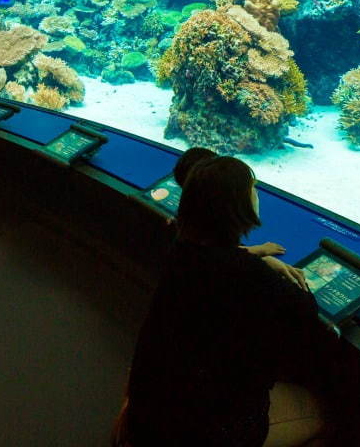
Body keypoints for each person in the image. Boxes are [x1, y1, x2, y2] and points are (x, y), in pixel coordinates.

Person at [120, 156, 340, 447]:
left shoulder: (180, 253)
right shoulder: (254, 280)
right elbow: (306, 321)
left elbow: (216, 260)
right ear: (238, 206)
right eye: (254, 189)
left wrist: (251, 253)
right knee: (323, 415)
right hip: (210, 432)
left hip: (148, 415)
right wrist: (260, 265)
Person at [172, 147, 308, 291]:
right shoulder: (246, 271)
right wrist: (263, 265)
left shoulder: (184, 242)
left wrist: (257, 252)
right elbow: (305, 308)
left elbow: (220, 253)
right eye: (251, 188)